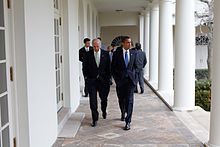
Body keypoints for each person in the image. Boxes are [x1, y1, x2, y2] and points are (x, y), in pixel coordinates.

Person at [83, 39, 111, 127]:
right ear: (92, 45)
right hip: (92, 81)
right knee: (93, 101)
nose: (96, 48)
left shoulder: (106, 54)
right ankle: (94, 118)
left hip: (103, 81)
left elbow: (109, 68)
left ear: (100, 45)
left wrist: (108, 79)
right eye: (94, 46)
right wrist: (87, 78)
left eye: (97, 46)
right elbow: (84, 68)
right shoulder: (87, 55)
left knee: (104, 99)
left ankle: (104, 110)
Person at [111, 36, 138, 130]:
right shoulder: (116, 53)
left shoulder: (134, 53)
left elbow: (136, 67)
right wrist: (117, 80)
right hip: (120, 82)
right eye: (127, 42)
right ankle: (123, 112)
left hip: (130, 82)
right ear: (123, 43)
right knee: (121, 99)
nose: (130, 44)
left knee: (130, 101)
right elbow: (113, 68)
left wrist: (135, 78)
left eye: (130, 42)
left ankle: (128, 121)